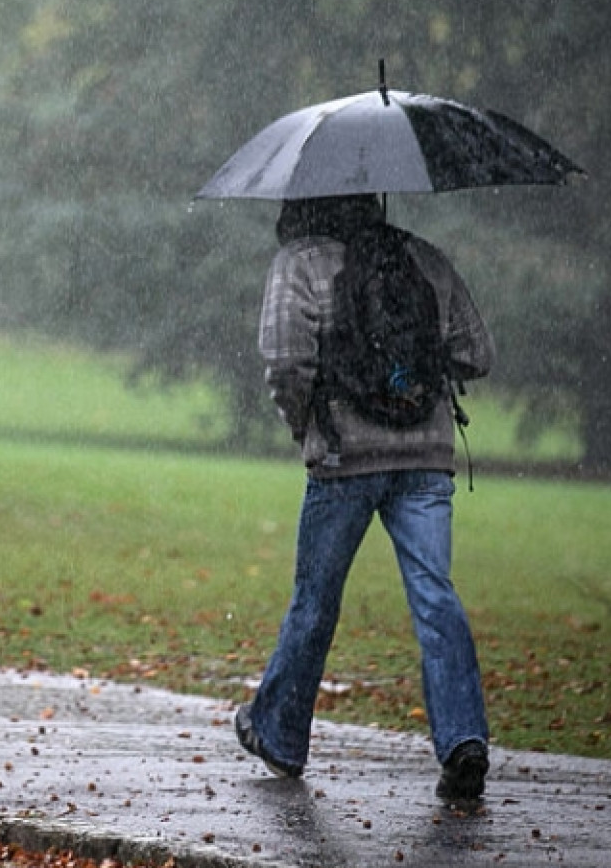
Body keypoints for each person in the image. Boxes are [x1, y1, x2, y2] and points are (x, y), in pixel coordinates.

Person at [234, 194, 495, 803]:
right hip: (425, 459)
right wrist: (411, 372)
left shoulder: (299, 263)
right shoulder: (424, 258)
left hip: (342, 458)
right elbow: (478, 354)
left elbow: (284, 358)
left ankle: (278, 735)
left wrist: (310, 423)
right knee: (435, 595)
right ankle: (463, 741)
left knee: (316, 601)